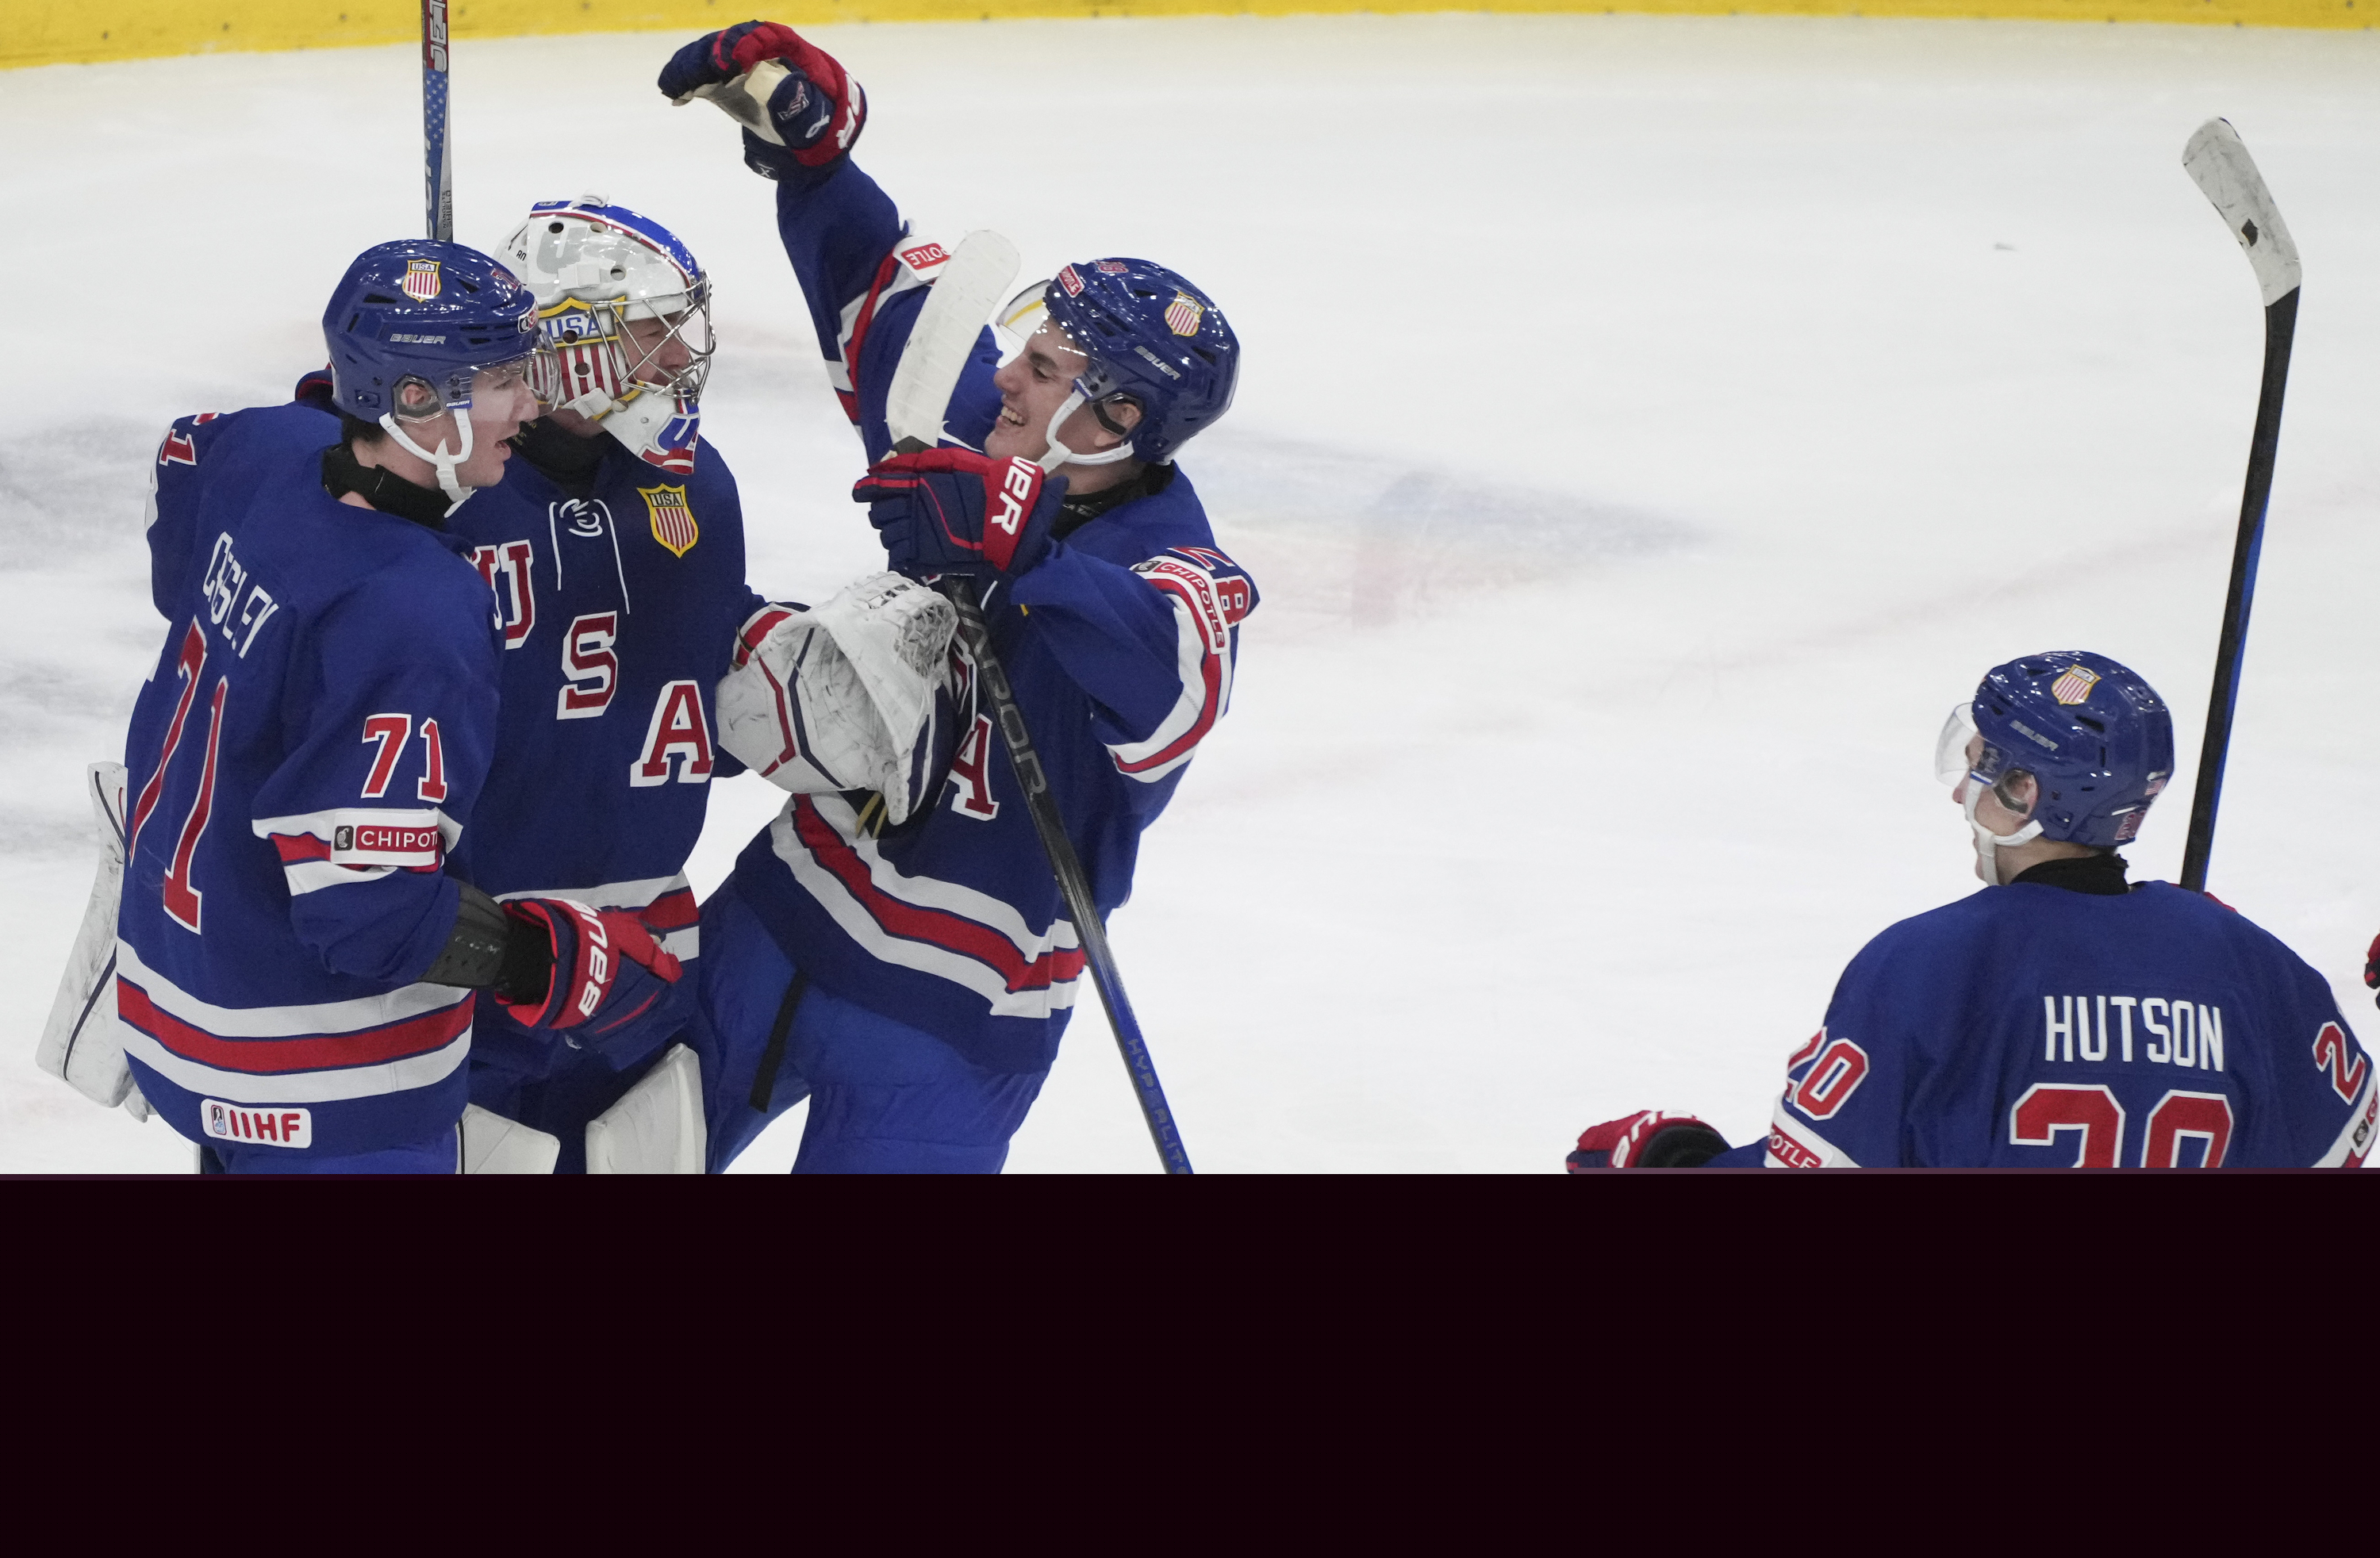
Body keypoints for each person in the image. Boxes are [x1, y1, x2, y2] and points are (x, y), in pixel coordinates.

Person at [655, 21, 1257, 1171]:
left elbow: (1174, 672)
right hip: (780, 917)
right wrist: (819, 162)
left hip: (951, 1025)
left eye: (1047, 366)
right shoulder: (984, 432)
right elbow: (881, 297)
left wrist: (1028, 554)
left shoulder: (1179, 564)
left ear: (1118, 422)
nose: (1010, 375)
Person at [113, 240, 682, 1173]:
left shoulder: (266, 449)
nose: (530, 405)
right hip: (321, 1080)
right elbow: (365, 912)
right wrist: (548, 961)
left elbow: (181, 486)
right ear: (416, 400)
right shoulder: (414, 609)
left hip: (181, 1005)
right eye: (500, 379)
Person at [1570, 650, 2378, 1170]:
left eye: (1988, 767)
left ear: (2032, 793)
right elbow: (2343, 1139)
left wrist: (1670, 1161)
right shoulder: (2245, 959)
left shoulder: (1928, 965)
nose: (1965, 788)